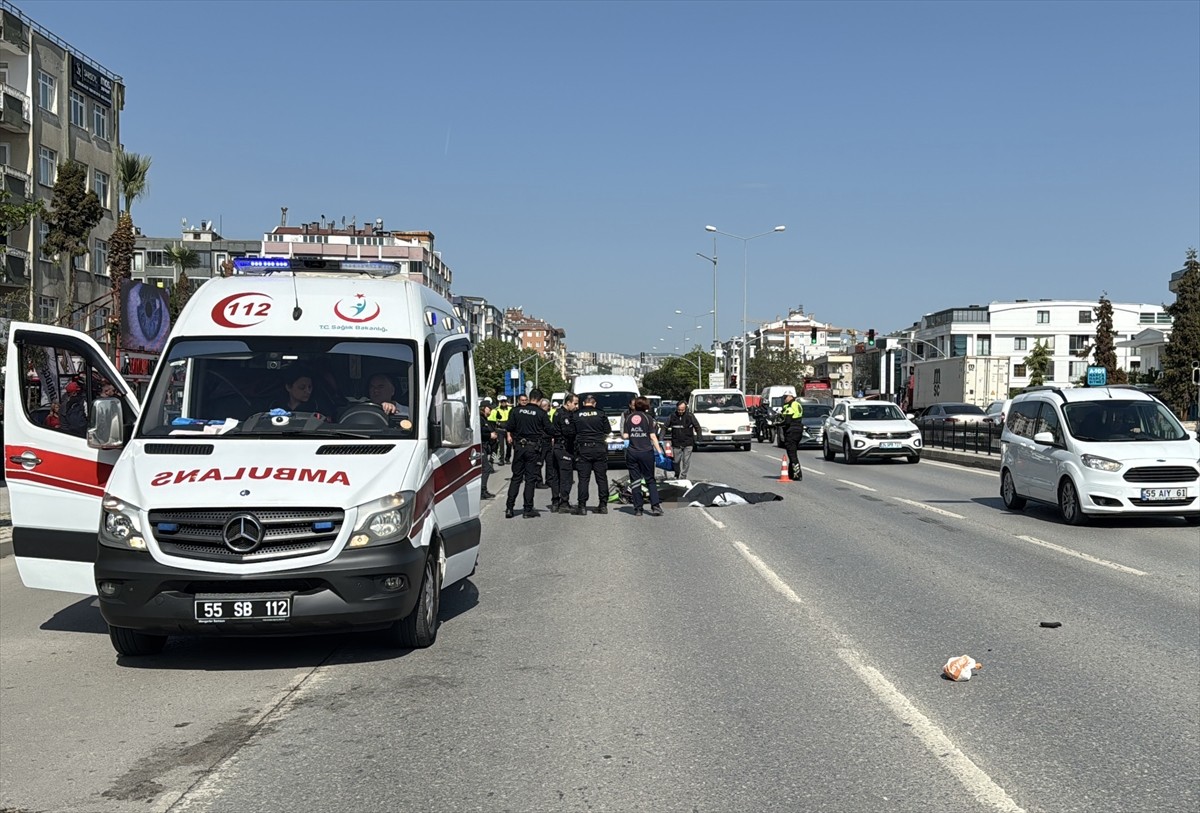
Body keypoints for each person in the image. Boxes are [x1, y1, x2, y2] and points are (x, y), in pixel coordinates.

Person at [504, 388, 552, 519]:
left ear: (530, 398)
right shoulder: (541, 413)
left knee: (516, 478)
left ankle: (509, 508)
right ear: (540, 400)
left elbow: (509, 427)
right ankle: (527, 509)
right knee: (530, 479)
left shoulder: (516, 411)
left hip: (519, 447)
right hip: (533, 449)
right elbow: (551, 430)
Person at [622, 397, 665, 516]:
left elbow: (625, 436)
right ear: (646, 406)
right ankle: (655, 506)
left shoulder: (628, 418)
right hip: (646, 452)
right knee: (650, 479)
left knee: (635, 480)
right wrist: (660, 452)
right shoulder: (648, 418)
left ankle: (638, 508)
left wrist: (633, 435)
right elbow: (652, 436)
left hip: (632, 452)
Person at [572, 393, 611, 515]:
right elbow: (607, 430)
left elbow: (572, 431)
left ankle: (582, 506)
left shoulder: (576, 414)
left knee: (583, 479)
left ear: (584, 403)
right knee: (601, 478)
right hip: (599, 448)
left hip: (583, 449)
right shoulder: (601, 414)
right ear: (595, 404)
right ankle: (603, 505)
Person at [549, 393, 579, 513]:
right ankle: (564, 503)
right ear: (568, 403)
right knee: (566, 477)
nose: (576, 406)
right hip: (564, 448)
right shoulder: (564, 415)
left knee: (556, 476)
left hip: (557, 447)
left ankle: (555, 502)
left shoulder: (557, 412)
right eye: (575, 403)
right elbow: (568, 432)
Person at [666, 399, 703, 480]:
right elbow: (664, 427)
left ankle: (683, 477)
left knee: (686, 461)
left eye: (682, 410)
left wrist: (699, 438)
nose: (680, 411)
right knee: (676, 461)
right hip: (676, 443)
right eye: (679, 410)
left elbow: (697, 427)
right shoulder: (672, 416)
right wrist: (661, 438)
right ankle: (677, 473)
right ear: (677, 408)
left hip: (688, 442)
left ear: (685, 408)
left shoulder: (690, 416)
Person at [780, 393, 805, 481]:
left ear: (791, 396)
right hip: (798, 429)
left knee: (792, 454)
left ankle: (797, 474)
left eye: (785, 397)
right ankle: (791, 473)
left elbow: (787, 421)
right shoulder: (797, 404)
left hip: (792, 431)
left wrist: (778, 424)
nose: (784, 399)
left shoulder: (791, 406)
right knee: (792, 453)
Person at [479, 403, 497, 499]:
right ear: (484, 408)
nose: (491, 410)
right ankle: (482, 491)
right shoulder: (480, 419)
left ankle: (483, 490)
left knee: (486, 468)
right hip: (481, 446)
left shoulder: (485, 419)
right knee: (486, 469)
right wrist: (490, 435)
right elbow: (479, 432)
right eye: (489, 408)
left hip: (487, 446)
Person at [536, 397, 554, 490]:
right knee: (539, 463)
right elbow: (548, 428)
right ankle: (538, 481)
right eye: (548, 406)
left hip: (548, 441)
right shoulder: (541, 415)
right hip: (541, 441)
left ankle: (549, 480)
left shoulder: (545, 414)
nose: (549, 407)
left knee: (550, 462)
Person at [491, 395, 512, 463]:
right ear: (500, 402)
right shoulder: (496, 409)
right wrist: (498, 424)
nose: (503, 403)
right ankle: (501, 459)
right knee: (501, 446)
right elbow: (494, 419)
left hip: (508, 429)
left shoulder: (510, 409)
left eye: (504, 401)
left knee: (509, 445)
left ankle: (507, 458)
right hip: (500, 429)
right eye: (502, 401)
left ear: (506, 402)